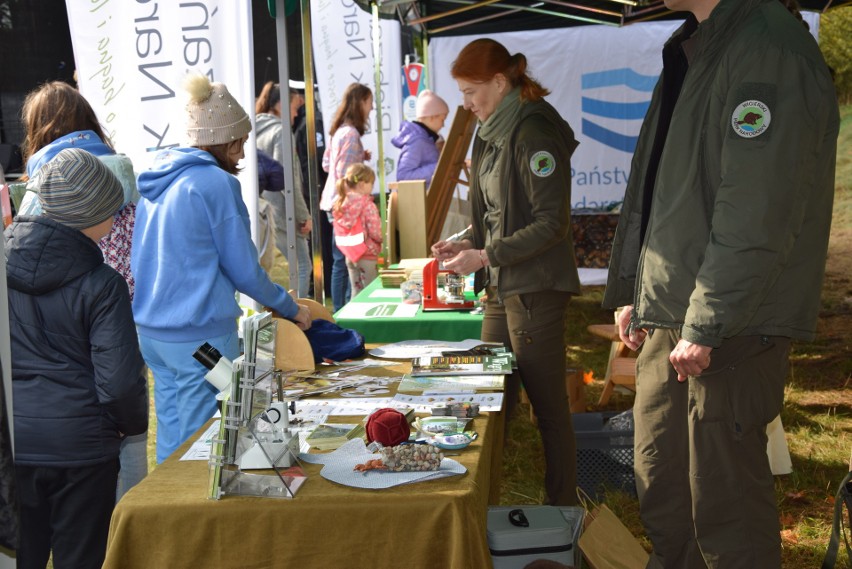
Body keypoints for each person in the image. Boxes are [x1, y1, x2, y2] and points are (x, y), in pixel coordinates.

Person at [601, 0, 839, 567]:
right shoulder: (697, 44)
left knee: (724, 508)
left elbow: (758, 208)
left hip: (731, 320)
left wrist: (708, 320)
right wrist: (636, 288)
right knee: (662, 486)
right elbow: (661, 187)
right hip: (676, 312)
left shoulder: (767, 46)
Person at [132, 73, 312, 463]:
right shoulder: (214, 184)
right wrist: (289, 307)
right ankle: (193, 521)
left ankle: (167, 516)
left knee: (174, 436)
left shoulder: (157, 180)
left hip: (154, 335)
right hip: (201, 339)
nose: (243, 154)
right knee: (204, 442)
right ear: (224, 139)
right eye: (239, 143)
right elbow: (245, 270)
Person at [431, 38, 581, 506]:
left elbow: (549, 223)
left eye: (472, 92)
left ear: (500, 81)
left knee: (549, 410)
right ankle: (486, 505)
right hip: (503, 286)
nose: (466, 104)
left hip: (533, 288)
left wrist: (485, 256)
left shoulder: (533, 130)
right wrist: (467, 241)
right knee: (490, 396)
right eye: (462, 94)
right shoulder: (492, 126)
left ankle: (564, 514)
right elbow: (500, 210)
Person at [6, 148, 148, 569]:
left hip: (15, 445)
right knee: (82, 559)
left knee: (19, 556)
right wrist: (129, 427)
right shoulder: (102, 284)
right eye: (113, 208)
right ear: (91, 214)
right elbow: (120, 382)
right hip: (82, 452)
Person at [16, 80, 147, 502]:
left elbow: (26, 261)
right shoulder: (124, 172)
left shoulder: (48, 186)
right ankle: (132, 525)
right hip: (125, 314)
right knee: (129, 433)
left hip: (60, 330)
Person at [254, 81, 313, 297]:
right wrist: (303, 214)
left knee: (275, 272)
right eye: (295, 108)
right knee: (302, 267)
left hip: (263, 213)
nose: (296, 114)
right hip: (283, 214)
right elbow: (288, 180)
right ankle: (301, 322)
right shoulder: (280, 132)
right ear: (279, 105)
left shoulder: (253, 130)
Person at [321, 82, 374, 312]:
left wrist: (359, 155)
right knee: (345, 262)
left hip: (333, 202)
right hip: (344, 205)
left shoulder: (338, 131)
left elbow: (326, 165)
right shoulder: (351, 134)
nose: (371, 109)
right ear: (360, 102)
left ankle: (341, 309)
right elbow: (345, 173)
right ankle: (343, 310)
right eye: (370, 103)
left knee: (341, 261)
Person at [332, 164, 382, 296]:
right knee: (371, 292)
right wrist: (383, 239)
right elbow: (376, 232)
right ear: (362, 184)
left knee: (356, 290)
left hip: (350, 254)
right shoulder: (368, 205)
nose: (372, 187)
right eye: (371, 183)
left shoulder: (342, 203)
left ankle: (353, 314)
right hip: (367, 255)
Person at [392, 89, 450, 187]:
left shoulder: (426, 139)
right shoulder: (417, 141)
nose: (443, 125)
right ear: (431, 117)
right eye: (442, 119)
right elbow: (403, 176)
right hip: (417, 199)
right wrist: (438, 167)